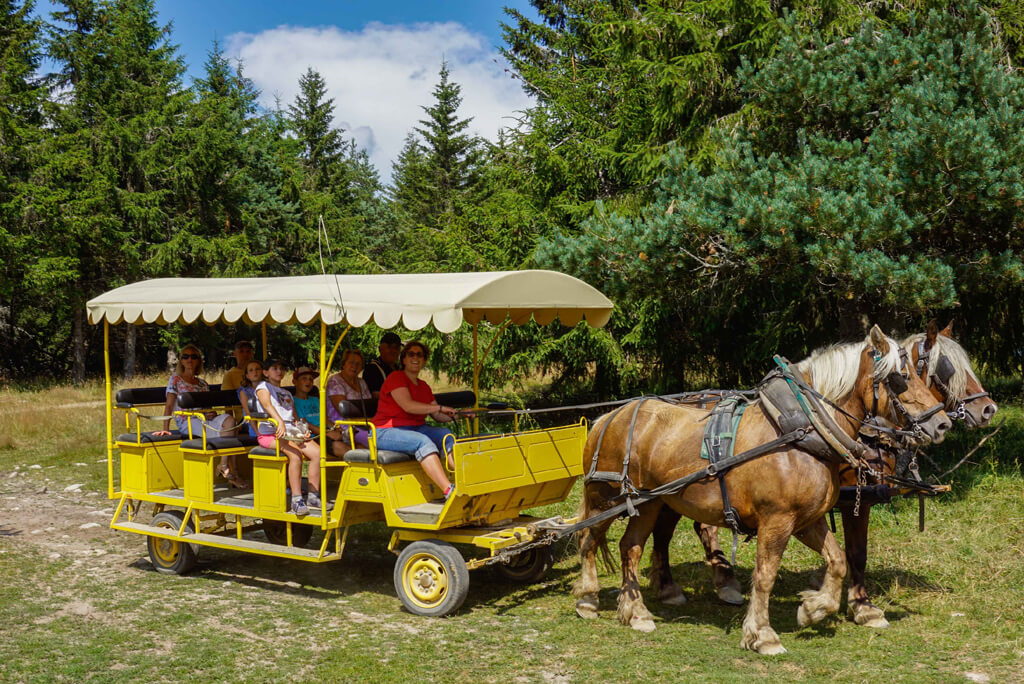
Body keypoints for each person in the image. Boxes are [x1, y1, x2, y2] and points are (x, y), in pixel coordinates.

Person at [372, 341, 462, 500]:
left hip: (415, 428)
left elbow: (438, 416)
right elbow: (409, 406)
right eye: (411, 354)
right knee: (422, 441)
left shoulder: (423, 386)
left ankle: (463, 479)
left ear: (424, 360)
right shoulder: (396, 377)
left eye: (420, 355)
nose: (415, 357)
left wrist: (457, 414)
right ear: (404, 359)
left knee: (445, 434)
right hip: (384, 431)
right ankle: (449, 491)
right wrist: (439, 408)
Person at [155, 344, 243, 487]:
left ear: (198, 361)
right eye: (185, 356)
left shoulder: (203, 383)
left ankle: (223, 464)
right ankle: (234, 474)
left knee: (230, 421)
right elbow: (169, 405)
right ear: (181, 360)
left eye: (193, 356)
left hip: (205, 419)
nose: (189, 359)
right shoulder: (175, 379)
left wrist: (211, 412)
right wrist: (166, 427)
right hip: (187, 421)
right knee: (228, 433)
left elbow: (207, 407)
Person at [255, 359, 322, 516]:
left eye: (281, 368)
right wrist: (279, 422)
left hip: (290, 432)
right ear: (266, 372)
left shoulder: (286, 393)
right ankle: (297, 499)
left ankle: (313, 495)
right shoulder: (263, 387)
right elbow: (267, 405)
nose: (279, 371)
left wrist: (303, 430)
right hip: (272, 433)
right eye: (275, 368)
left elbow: (295, 418)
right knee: (296, 455)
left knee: (318, 452)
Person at [291, 366, 348, 458]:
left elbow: (325, 419)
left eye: (311, 379)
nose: (308, 382)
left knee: (356, 444)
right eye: (304, 379)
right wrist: (327, 433)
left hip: (326, 432)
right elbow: (304, 423)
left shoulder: (316, 399)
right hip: (314, 436)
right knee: (344, 448)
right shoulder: (293, 401)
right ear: (295, 382)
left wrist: (336, 428)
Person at [325, 349, 372, 447]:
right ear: (343, 364)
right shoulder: (335, 381)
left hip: (365, 424)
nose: (355, 366)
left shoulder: (362, 382)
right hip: (343, 426)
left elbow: (370, 407)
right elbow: (342, 409)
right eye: (351, 362)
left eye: (358, 364)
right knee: (374, 439)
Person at [363, 332, 402, 398]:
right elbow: (376, 395)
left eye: (396, 348)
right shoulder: (372, 369)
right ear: (380, 349)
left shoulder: (400, 369)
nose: (393, 351)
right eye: (389, 347)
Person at [235, 360, 264, 438]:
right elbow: (248, 413)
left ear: (262, 371)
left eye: (257, 369)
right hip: (252, 422)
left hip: (268, 420)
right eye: (251, 370)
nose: (255, 372)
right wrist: (258, 433)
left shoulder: (267, 387)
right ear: (247, 375)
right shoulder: (244, 391)